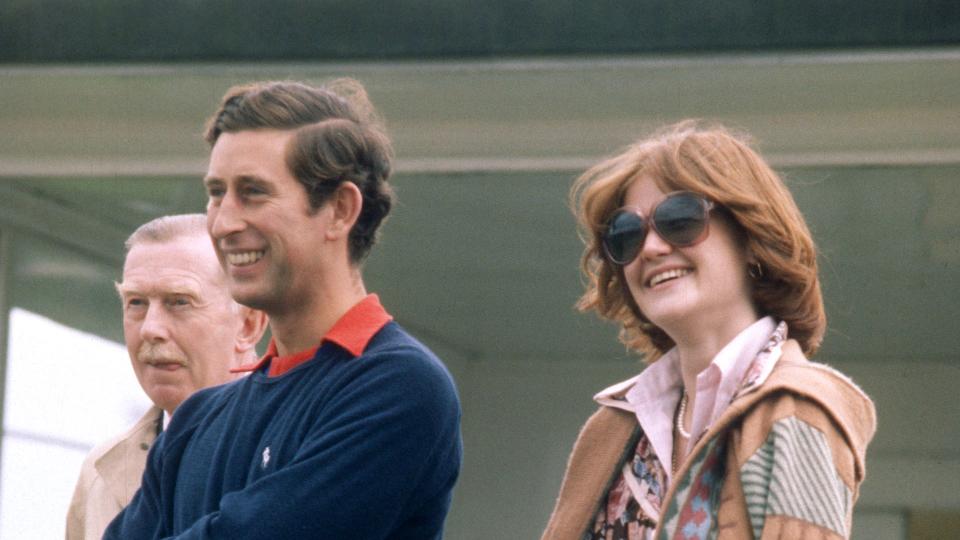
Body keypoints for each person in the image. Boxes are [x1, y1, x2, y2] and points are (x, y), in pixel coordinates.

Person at [104, 79, 462, 539]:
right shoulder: (197, 421)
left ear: (340, 209)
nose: (224, 221)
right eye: (217, 193)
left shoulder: (399, 387)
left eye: (253, 192)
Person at [542, 121, 876, 539]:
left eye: (679, 219)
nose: (651, 248)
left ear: (751, 236)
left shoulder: (798, 409)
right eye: (627, 234)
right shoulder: (609, 428)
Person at [66, 214, 268, 540]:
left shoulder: (295, 446)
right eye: (136, 303)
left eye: (178, 302)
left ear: (248, 325)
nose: (150, 329)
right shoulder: (99, 474)